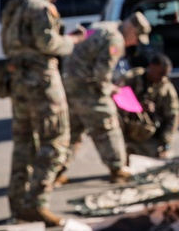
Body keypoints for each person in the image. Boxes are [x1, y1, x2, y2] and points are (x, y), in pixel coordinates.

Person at [1, 0, 85, 226]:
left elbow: (6, 43)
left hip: (19, 81)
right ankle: (37, 203)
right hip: (42, 81)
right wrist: (71, 40)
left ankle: (18, 203)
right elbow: (47, 42)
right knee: (56, 141)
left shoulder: (16, 4)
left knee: (24, 142)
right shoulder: (40, 6)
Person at [59, 11, 151, 184]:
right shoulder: (115, 40)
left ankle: (55, 172)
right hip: (87, 90)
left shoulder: (104, 27)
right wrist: (112, 90)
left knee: (72, 133)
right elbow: (101, 75)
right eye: (137, 38)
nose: (135, 43)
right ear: (131, 30)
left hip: (70, 86)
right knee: (108, 125)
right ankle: (118, 169)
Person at [121, 53, 179, 160]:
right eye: (161, 73)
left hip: (150, 136)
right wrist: (137, 107)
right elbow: (118, 101)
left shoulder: (166, 88)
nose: (163, 78)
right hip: (127, 133)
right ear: (151, 67)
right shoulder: (131, 80)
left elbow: (173, 116)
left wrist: (166, 143)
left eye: (165, 75)